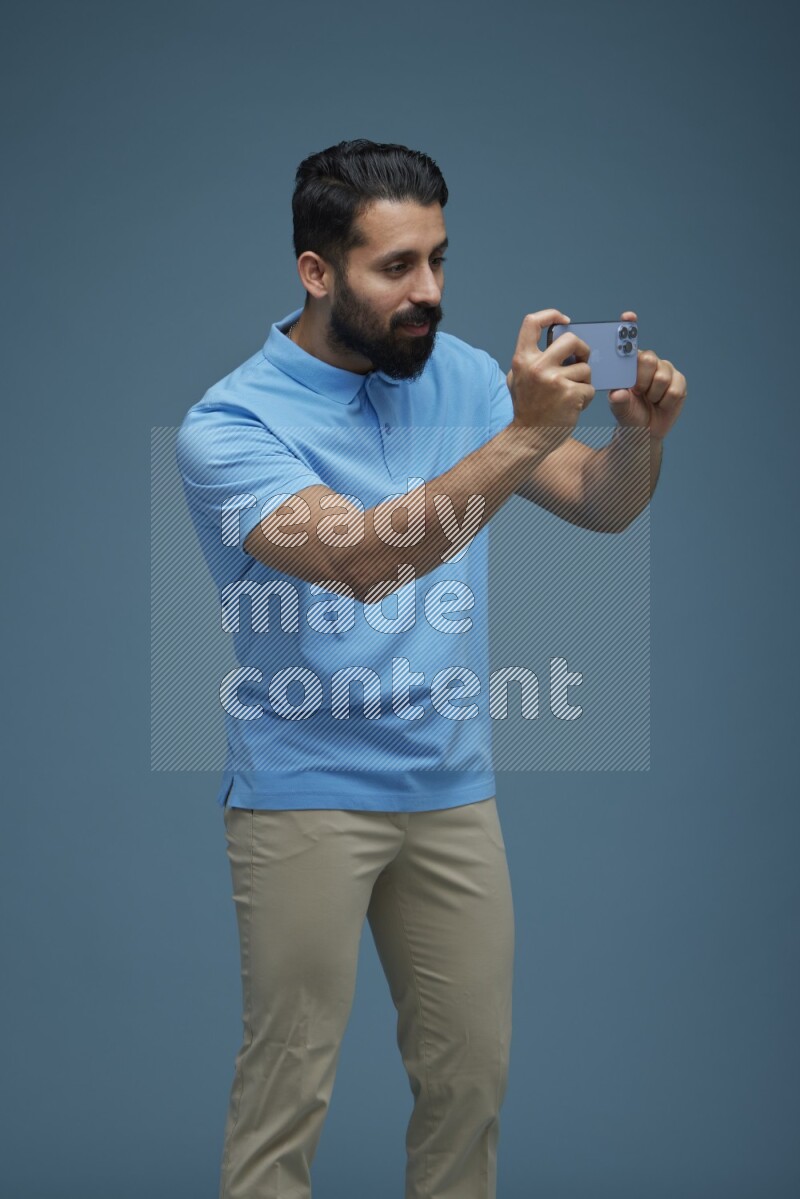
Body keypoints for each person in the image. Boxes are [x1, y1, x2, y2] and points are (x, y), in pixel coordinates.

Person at [176, 138, 687, 1199]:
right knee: (286, 1094)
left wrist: (636, 439)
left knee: (469, 1085)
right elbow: (361, 557)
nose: (429, 293)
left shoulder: (455, 377)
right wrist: (522, 430)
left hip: (451, 786)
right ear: (316, 271)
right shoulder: (228, 426)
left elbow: (596, 500)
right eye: (395, 267)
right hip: (302, 791)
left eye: (439, 261)